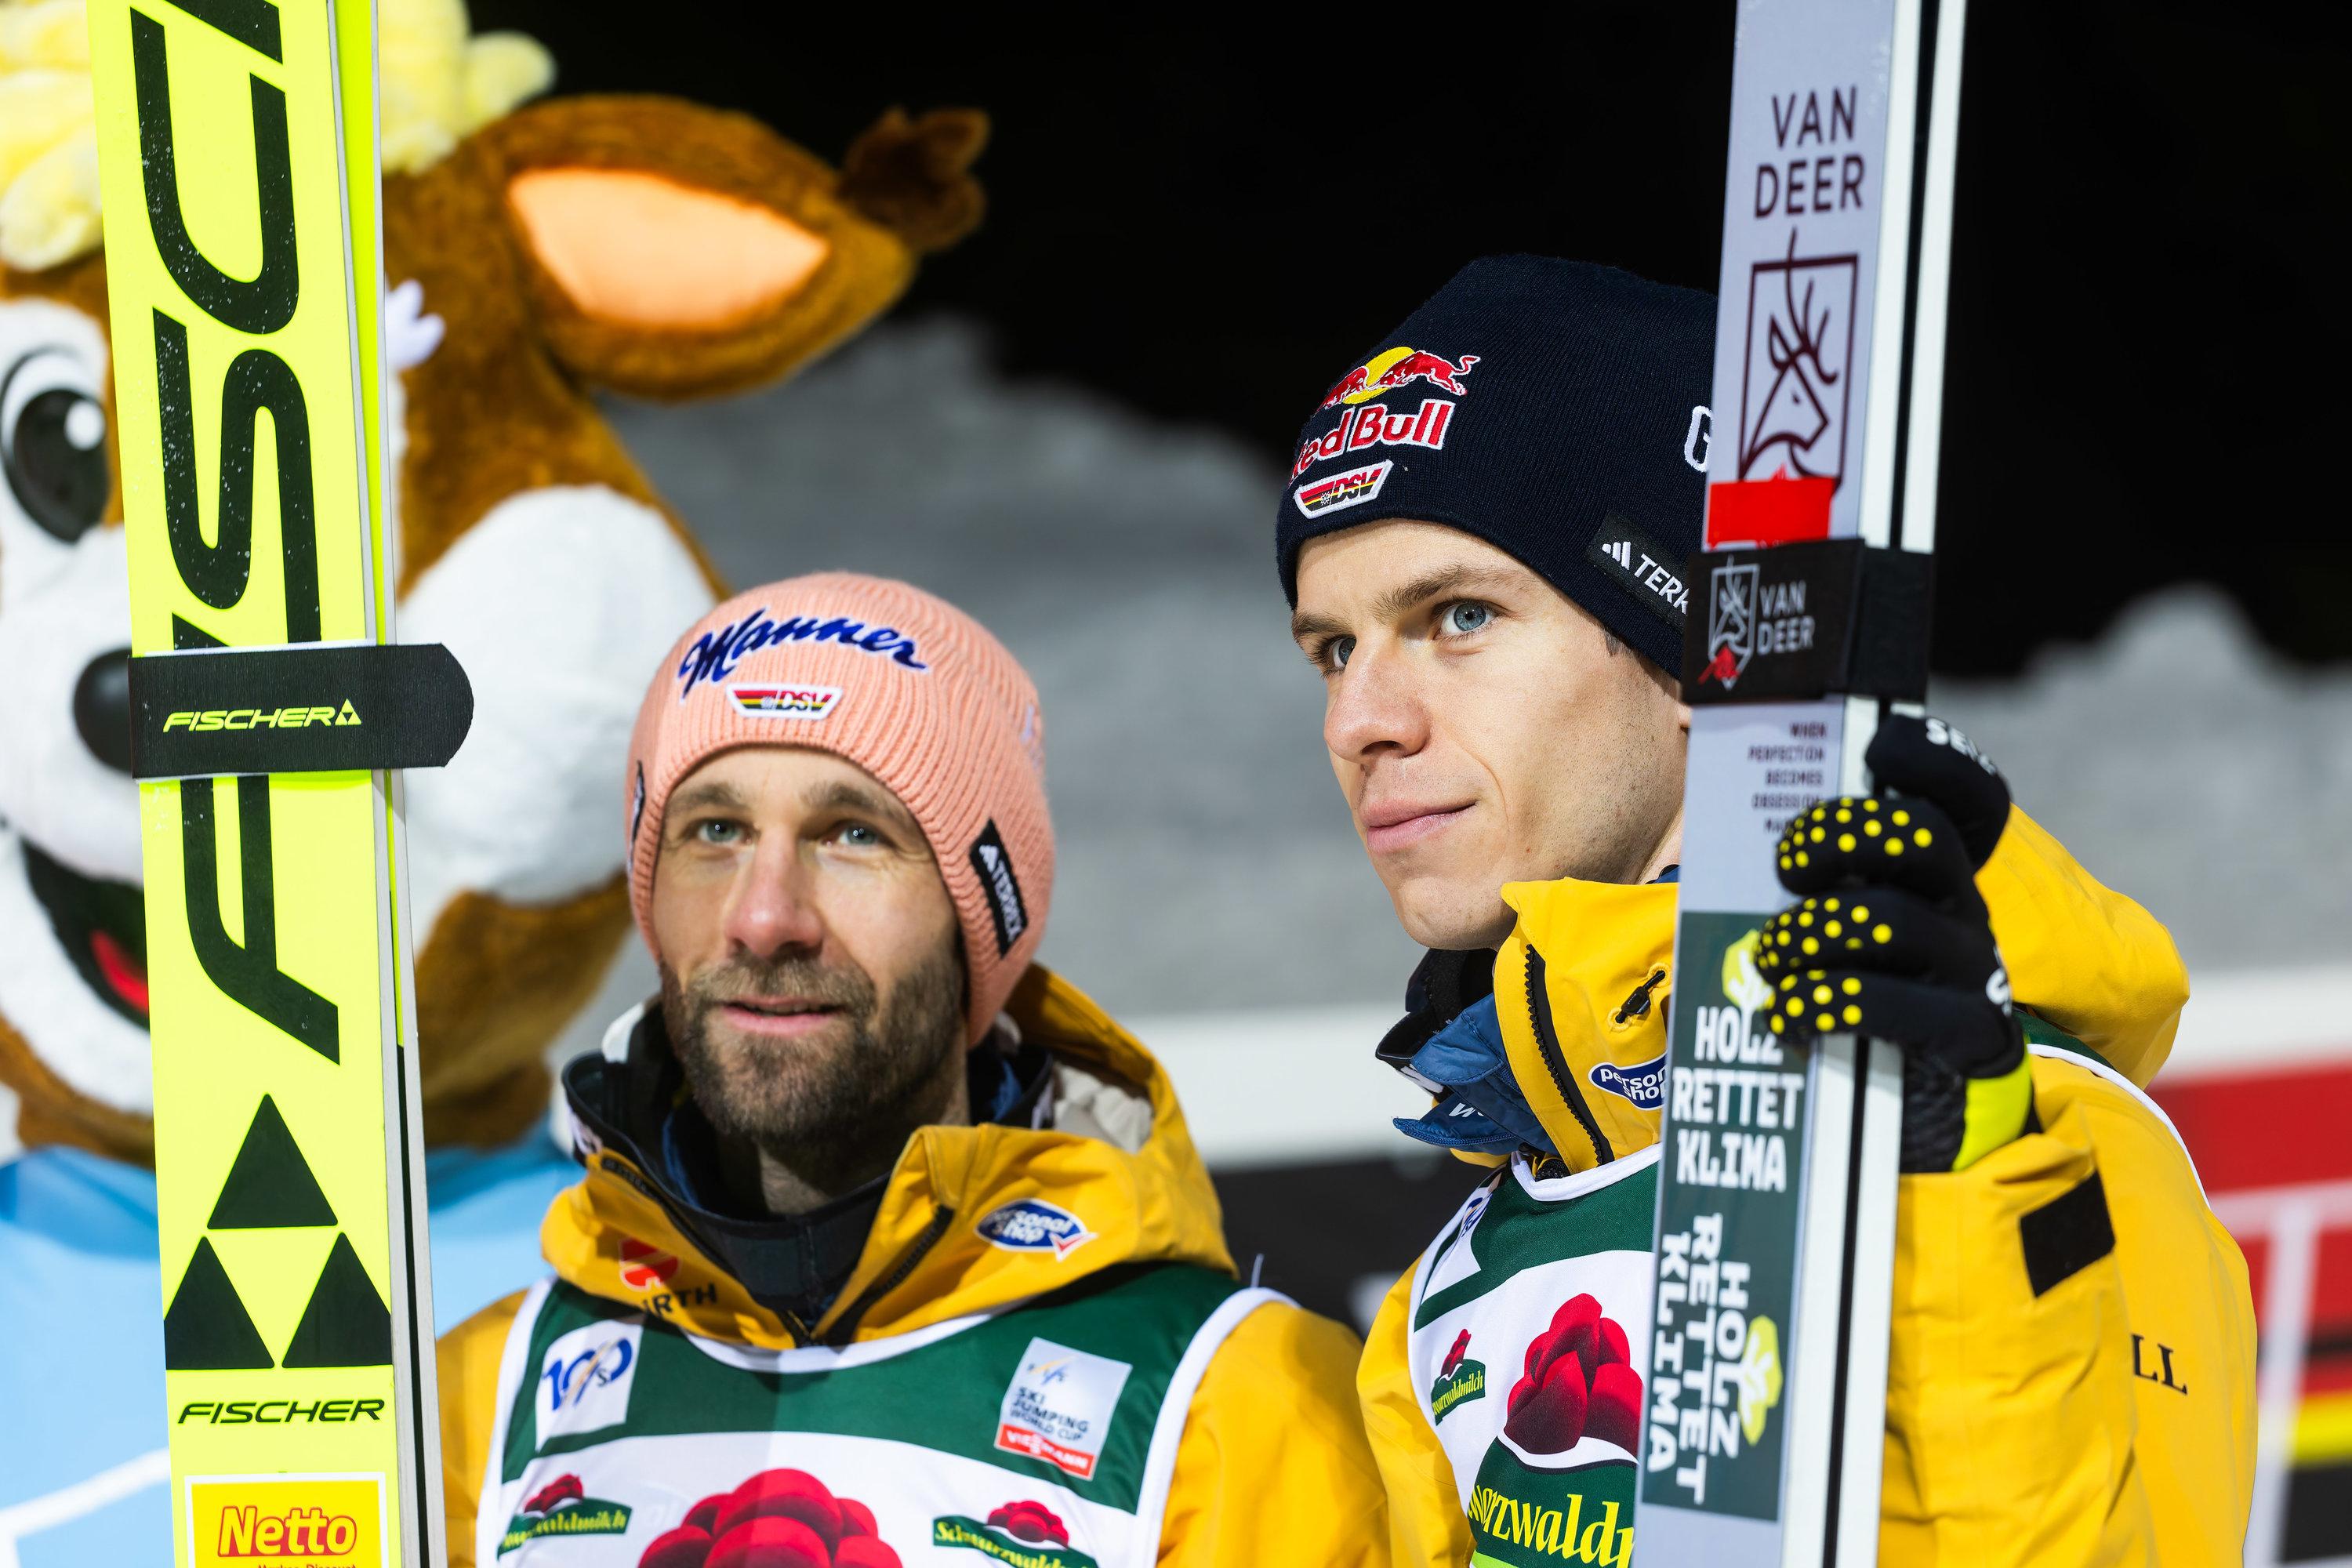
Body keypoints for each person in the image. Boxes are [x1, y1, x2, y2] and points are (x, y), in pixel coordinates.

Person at [1277, 258, 2255, 1565]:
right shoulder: (1469, 1261)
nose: (1359, 723)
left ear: (1699, 649)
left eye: (1459, 616)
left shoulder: (2032, 1140)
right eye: (1334, 649)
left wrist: (1962, 1191)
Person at [435, 575, 1385, 1567]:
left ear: (983, 918)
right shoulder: (474, 1403)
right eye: (714, 830)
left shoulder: (1239, 1408)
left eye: (853, 834)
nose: (765, 917)